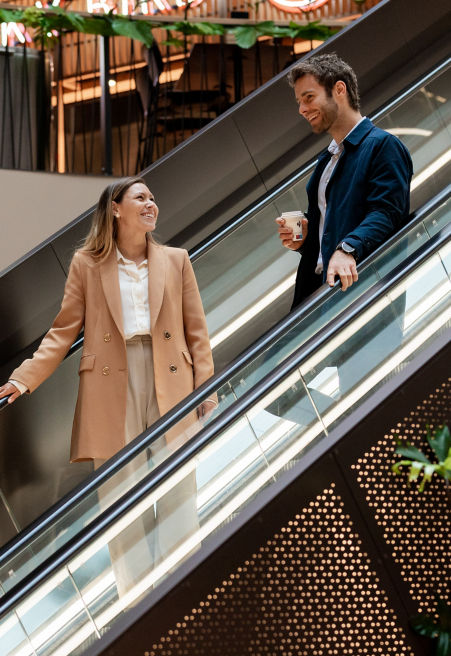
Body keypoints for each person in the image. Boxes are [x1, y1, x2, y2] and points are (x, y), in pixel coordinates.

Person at [0, 176, 216, 602]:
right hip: (110, 385)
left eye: (153, 197)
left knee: (179, 482)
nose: (151, 203)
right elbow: (61, 334)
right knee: (120, 495)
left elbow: (198, 334)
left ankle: (181, 594)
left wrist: (206, 392)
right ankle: (136, 604)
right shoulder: (87, 264)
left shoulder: (177, 259)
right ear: (115, 209)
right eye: (140, 197)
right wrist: (22, 379)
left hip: (171, 377)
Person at [276, 53, 413, 308]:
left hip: (360, 295)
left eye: (309, 97)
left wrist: (348, 248)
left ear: (339, 89)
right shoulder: (326, 160)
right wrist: (305, 239)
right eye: (299, 101)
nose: (302, 109)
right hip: (316, 294)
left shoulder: (383, 146)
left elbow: (387, 213)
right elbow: (329, 229)